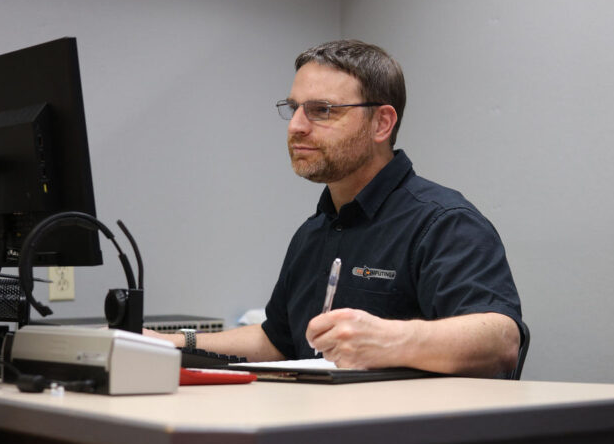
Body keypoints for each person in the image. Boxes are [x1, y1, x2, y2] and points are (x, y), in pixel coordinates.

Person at [147, 40, 523, 375]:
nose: (295, 126)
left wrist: (391, 339)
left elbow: (501, 342)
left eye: (322, 110)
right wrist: (176, 343)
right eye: (294, 108)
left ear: (382, 123)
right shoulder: (316, 231)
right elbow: (276, 342)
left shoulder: (443, 222)